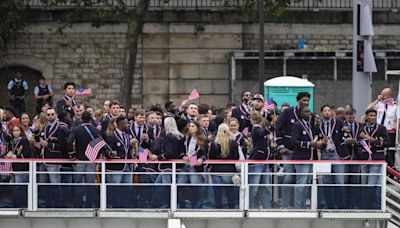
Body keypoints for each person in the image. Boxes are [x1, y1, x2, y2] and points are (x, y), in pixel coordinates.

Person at [275, 91, 312, 208]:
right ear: (298, 100)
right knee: (289, 177)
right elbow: (278, 129)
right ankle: (285, 205)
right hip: (288, 150)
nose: (305, 102)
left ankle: (300, 205)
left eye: (307, 100)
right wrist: (281, 146)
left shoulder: (309, 114)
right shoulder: (288, 112)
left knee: (303, 179)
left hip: (303, 152)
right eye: (303, 100)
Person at [315, 105, 349, 209]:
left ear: (331, 112)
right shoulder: (318, 125)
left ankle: (341, 206)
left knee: (340, 180)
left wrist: (346, 130)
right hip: (325, 154)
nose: (327, 112)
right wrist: (320, 142)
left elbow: (347, 130)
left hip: (336, 154)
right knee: (326, 181)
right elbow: (316, 139)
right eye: (325, 111)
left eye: (329, 110)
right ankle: (329, 205)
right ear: (322, 113)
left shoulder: (338, 122)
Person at [67, 111, 102, 208]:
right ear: (90, 119)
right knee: (90, 183)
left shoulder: (76, 129)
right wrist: (96, 156)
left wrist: (72, 154)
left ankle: (78, 204)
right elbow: (100, 144)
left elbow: (69, 141)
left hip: (79, 160)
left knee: (78, 182)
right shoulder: (96, 130)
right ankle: (89, 204)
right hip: (91, 160)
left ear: (81, 119)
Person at [359, 109, 390, 209]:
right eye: (371, 115)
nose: (373, 117)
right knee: (364, 183)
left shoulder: (381, 128)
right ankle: (367, 205)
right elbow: (358, 143)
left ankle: (371, 206)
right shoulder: (361, 128)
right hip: (364, 159)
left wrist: (374, 141)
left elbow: (388, 143)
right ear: (366, 117)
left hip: (376, 159)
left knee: (371, 184)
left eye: (374, 115)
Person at [151, 117, 184, 208]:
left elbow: (169, 153)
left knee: (167, 186)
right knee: (158, 184)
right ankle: (160, 203)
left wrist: (158, 157)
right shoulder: (181, 135)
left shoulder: (169, 136)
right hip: (177, 165)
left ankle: (169, 204)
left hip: (168, 166)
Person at [291, 106, 320, 209]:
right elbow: (293, 142)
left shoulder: (311, 126)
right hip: (301, 158)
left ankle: (303, 206)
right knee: (301, 184)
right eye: (306, 112)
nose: (308, 113)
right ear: (300, 113)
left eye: (309, 112)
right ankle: (298, 207)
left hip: (311, 158)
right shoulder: (297, 125)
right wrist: (309, 144)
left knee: (307, 184)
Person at [39, 107, 67, 208]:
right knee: (43, 184)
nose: (50, 116)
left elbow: (62, 145)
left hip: (54, 159)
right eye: (48, 114)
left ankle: (57, 204)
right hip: (43, 159)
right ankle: (47, 204)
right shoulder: (45, 127)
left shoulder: (60, 128)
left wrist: (49, 145)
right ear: (46, 116)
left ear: (56, 115)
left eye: (52, 114)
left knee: (55, 183)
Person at [208, 123, 240, 209]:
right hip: (229, 171)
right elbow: (236, 158)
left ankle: (218, 209)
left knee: (217, 193)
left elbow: (211, 158)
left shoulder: (214, 144)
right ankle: (231, 208)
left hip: (216, 171)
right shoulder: (233, 143)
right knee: (229, 192)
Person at [105, 116, 134, 208]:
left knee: (128, 187)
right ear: (121, 124)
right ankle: (113, 205)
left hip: (127, 166)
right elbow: (106, 150)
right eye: (126, 123)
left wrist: (133, 151)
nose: (128, 125)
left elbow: (127, 150)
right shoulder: (111, 135)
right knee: (114, 187)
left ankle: (125, 205)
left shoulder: (127, 136)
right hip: (115, 167)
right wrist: (110, 153)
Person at [178, 121, 208, 209]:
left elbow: (204, 153)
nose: (191, 128)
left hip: (195, 164)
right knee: (179, 184)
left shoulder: (202, 139)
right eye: (189, 126)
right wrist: (183, 156)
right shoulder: (185, 138)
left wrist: (201, 158)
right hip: (186, 164)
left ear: (197, 128)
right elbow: (181, 150)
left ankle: (197, 205)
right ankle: (185, 203)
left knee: (195, 185)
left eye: (193, 126)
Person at [367, 88, 398, 167]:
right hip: (378, 130)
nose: (381, 96)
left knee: (389, 151)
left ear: (388, 95)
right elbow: (369, 108)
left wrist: (395, 128)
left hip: (389, 131)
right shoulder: (379, 104)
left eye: (383, 95)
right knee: (377, 148)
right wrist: (377, 100)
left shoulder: (395, 106)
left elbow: (398, 119)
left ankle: (391, 170)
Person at [248, 112, 272, 209]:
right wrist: (272, 125)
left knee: (265, 187)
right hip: (257, 162)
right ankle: (250, 207)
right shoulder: (256, 129)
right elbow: (262, 132)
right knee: (254, 187)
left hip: (264, 161)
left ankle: (267, 207)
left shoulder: (259, 129)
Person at [7, 125, 31, 208]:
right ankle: (15, 205)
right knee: (15, 188)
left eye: (17, 130)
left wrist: (15, 156)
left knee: (20, 188)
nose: (16, 132)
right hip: (14, 169)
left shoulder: (24, 140)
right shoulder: (13, 141)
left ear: (20, 132)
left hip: (22, 169)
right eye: (14, 131)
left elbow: (28, 155)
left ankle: (22, 206)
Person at [344, 107, 363, 209]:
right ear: (346, 115)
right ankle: (346, 203)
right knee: (345, 180)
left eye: (352, 114)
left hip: (356, 155)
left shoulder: (360, 125)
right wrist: (345, 141)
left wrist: (357, 141)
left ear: (355, 114)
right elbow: (339, 139)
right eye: (349, 114)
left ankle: (354, 204)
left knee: (355, 181)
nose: (351, 116)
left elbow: (363, 139)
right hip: (345, 156)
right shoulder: (342, 125)